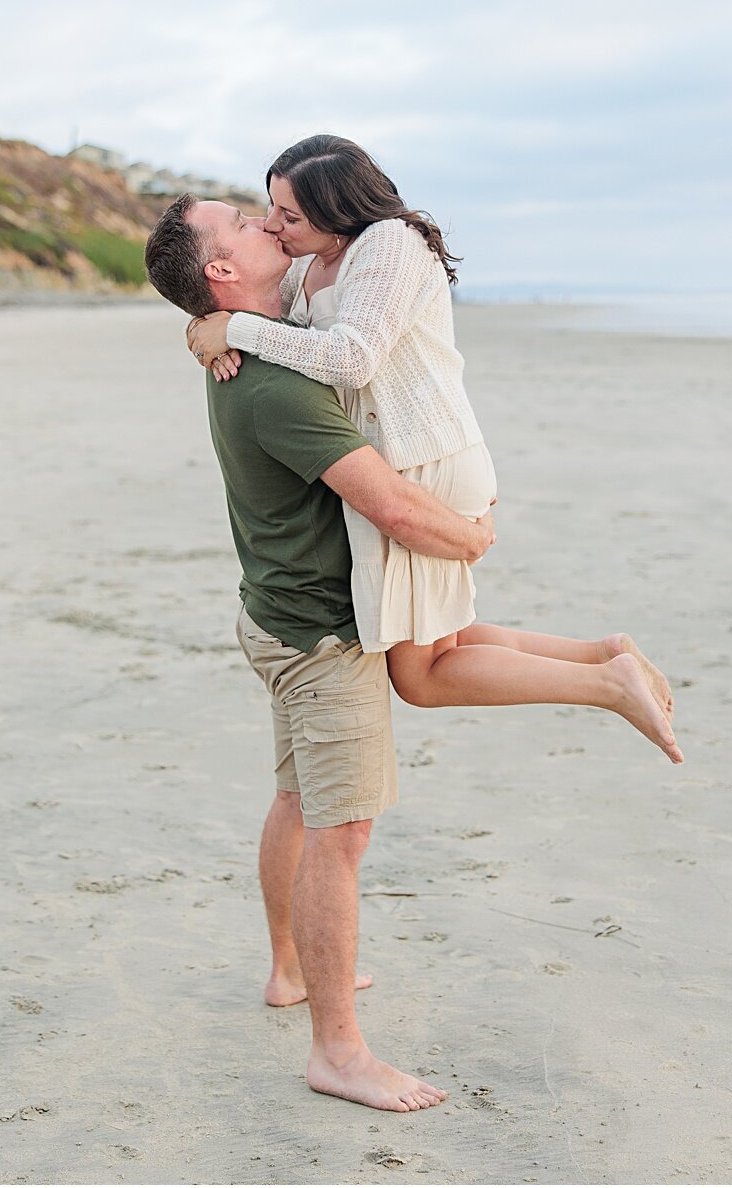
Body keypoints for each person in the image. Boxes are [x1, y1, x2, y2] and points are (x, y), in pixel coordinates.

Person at [144, 192, 497, 1113]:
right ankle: (338, 1052)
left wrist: (211, 325)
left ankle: (289, 970)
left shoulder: (253, 343)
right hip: (318, 636)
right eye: (246, 224)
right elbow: (385, 502)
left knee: (300, 801)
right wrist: (469, 538)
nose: (270, 228)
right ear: (221, 271)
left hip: (275, 616)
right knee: (342, 836)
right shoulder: (273, 380)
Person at [187, 136, 682, 765]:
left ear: (340, 210)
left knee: (421, 675)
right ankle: (605, 656)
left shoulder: (389, 245)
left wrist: (234, 329)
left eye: (290, 214)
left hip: (421, 460)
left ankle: (607, 684)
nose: (273, 225)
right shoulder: (311, 259)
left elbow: (349, 355)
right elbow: (248, 300)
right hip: (396, 458)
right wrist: (207, 326)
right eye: (271, 208)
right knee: (434, 641)